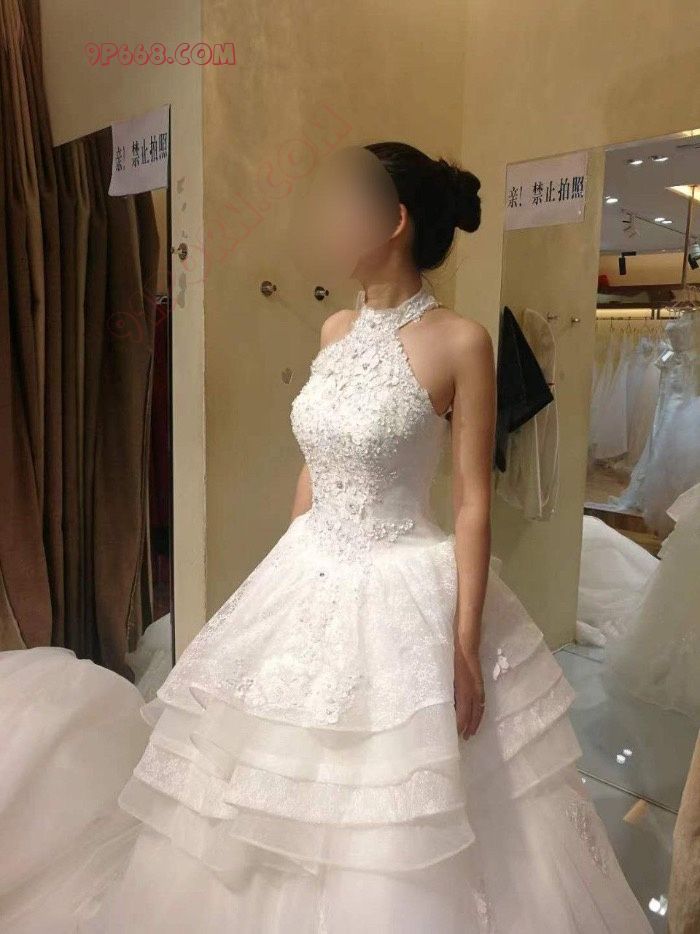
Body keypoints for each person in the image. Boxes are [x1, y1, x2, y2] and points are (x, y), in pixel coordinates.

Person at [0, 142, 651, 932]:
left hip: (404, 580)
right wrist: (280, 583)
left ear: (394, 221)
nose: (329, 226)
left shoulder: (461, 342)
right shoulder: (334, 329)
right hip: (310, 571)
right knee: (269, 789)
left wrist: (464, 645)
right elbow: (315, 462)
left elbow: (473, 503)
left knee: (396, 801)